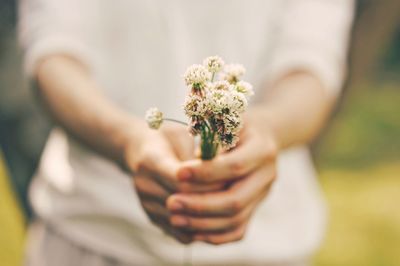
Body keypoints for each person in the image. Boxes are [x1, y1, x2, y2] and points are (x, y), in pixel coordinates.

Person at [19, 0, 354, 265]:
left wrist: (266, 130)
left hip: (267, 243)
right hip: (91, 228)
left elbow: (312, 65)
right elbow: (52, 51)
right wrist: (128, 140)